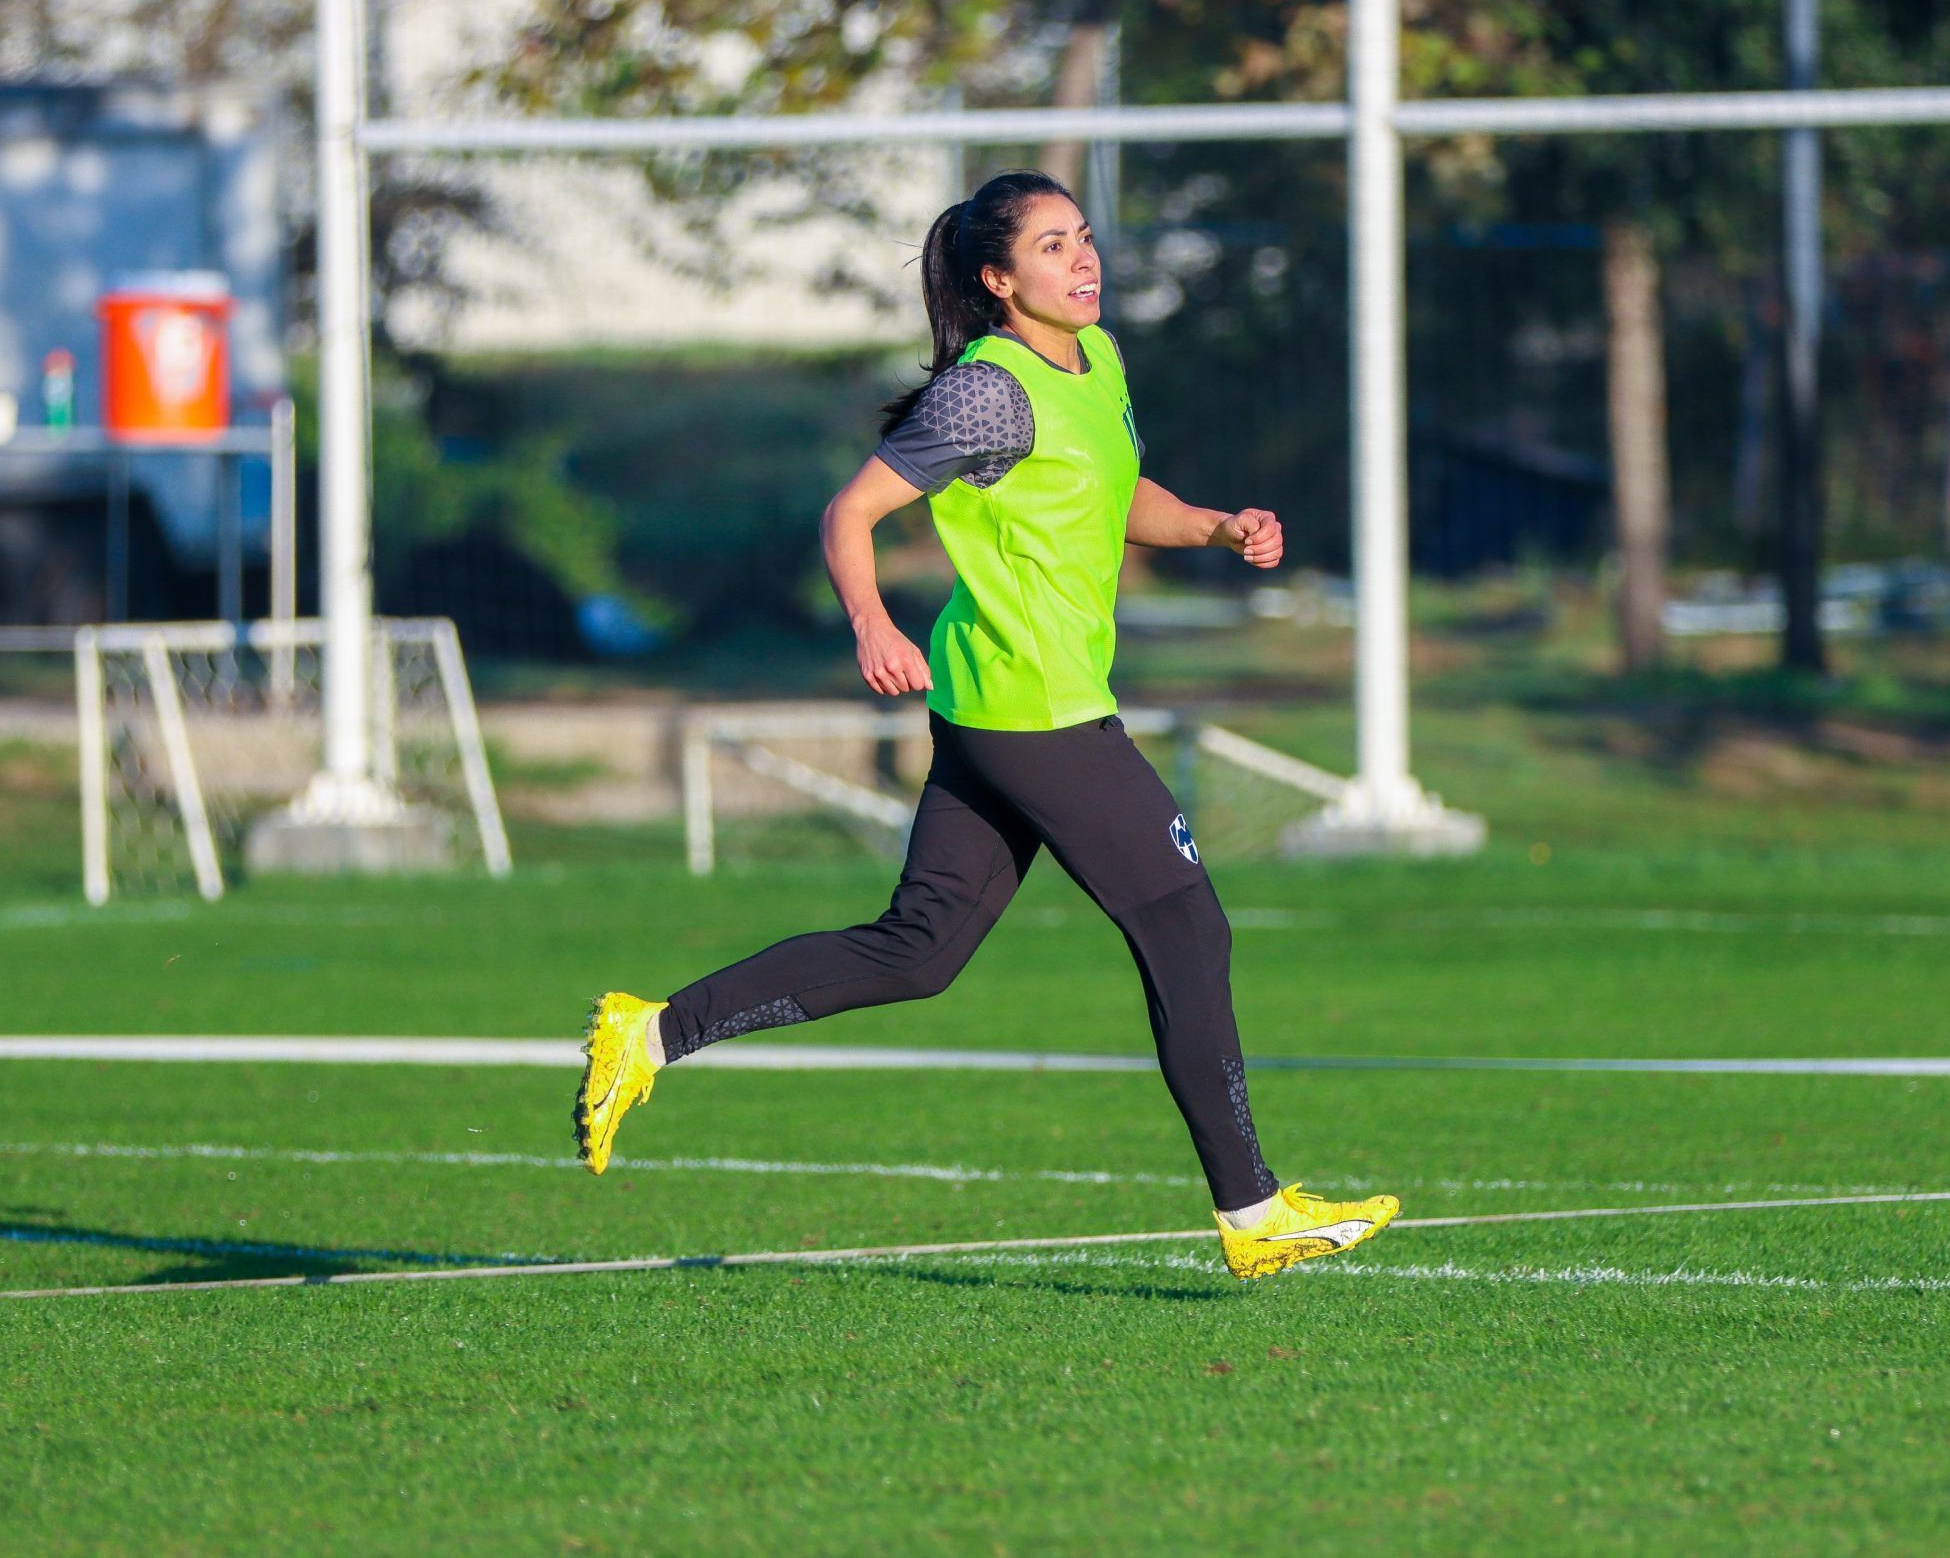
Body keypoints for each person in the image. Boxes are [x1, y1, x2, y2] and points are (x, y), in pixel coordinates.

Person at [574, 171, 1396, 1280]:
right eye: (1053, 248)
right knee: (1187, 926)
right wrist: (870, 622)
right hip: (1033, 709)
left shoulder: (1096, 361)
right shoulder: (986, 393)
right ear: (1000, 281)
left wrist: (1211, 526)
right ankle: (1254, 1217)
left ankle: (652, 1032)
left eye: (1085, 238)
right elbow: (851, 511)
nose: (1083, 260)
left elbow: (1118, 491)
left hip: (997, 703)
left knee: (919, 952)